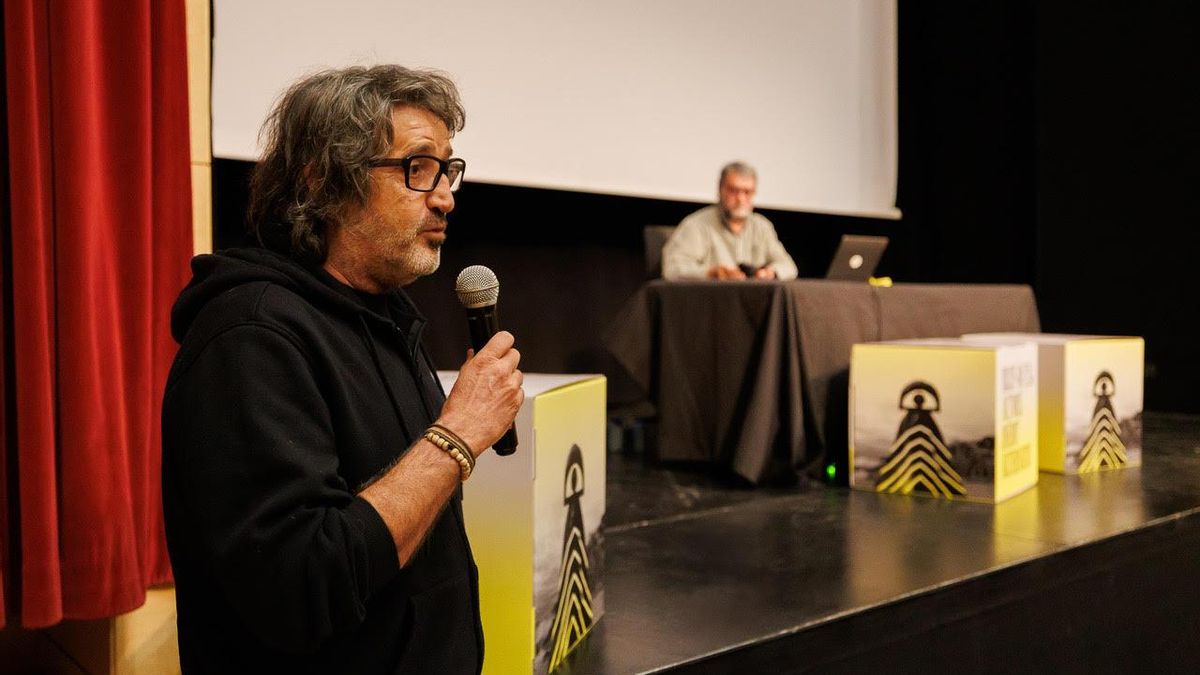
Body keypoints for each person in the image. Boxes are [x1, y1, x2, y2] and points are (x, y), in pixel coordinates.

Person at [161, 65, 524, 674]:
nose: (445, 195)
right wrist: (456, 435)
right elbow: (301, 584)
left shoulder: (387, 314)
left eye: (448, 168)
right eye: (418, 167)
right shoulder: (251, 337)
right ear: (324, 183)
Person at [661, 161, 799, 280]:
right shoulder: (696, 225)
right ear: (720, 190)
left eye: (747, 192)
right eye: (734, 191)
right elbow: (673, 269)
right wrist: (709, 273)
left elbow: (788, 266)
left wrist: (770, 273)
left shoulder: (762, 226)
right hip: (710, 303)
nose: (740, 199)